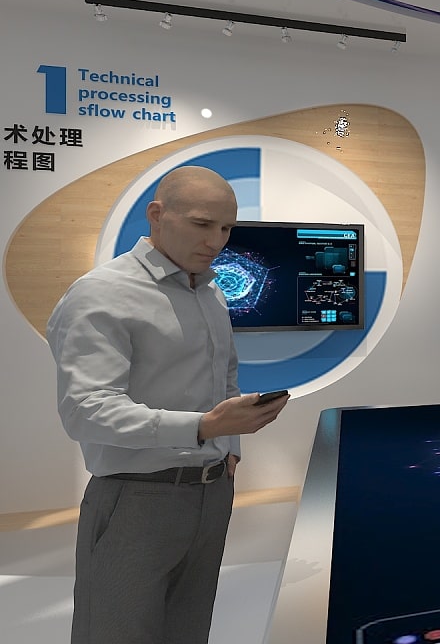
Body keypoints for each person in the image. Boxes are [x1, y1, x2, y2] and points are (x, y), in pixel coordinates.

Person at [46, 165, 290, 644]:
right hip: (136, 497)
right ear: (157, 215)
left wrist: (229, 447)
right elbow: (85, 410)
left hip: (211, 493)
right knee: (116, 632)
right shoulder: (102, 293)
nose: (216, 241)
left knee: (189, 628)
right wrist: (202, 428)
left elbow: (225, 378)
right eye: (202, 224)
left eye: (226, 228)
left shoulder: (212, 293)